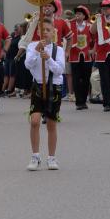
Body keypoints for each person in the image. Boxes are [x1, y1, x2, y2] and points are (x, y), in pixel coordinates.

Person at [25, 19, 64, 171]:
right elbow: (28, 65)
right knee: (34, 121)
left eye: (49, 29)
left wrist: (49, 59)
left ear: (53, 32)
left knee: (51, 123)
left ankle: (52, 158)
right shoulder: (32, 46)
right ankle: (35, 156)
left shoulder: (58, 49)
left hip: (54, 86)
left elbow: (59, 70)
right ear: (39, 32)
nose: (45, 32)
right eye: (43, 29)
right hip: (38, 86)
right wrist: (37, 51)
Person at [67, 6, 95, 110]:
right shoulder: (70, 25)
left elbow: (95, 39)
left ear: (84, 16)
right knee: (76, 79)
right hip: (74, 56)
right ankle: (79, 102)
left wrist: (93, 50)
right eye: (76, 14)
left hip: (87, 56)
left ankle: (84, 100)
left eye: (79, 14)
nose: (77, 15)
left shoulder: (90, 26)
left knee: (86, 79)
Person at [95, 0, 110, 111]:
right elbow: (92, 31)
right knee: (104, 79)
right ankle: (106, 103)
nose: (104, 10)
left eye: (107, 8)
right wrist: (96, 20)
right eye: (103, 8)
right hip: (101, 53)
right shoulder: (98, 20)